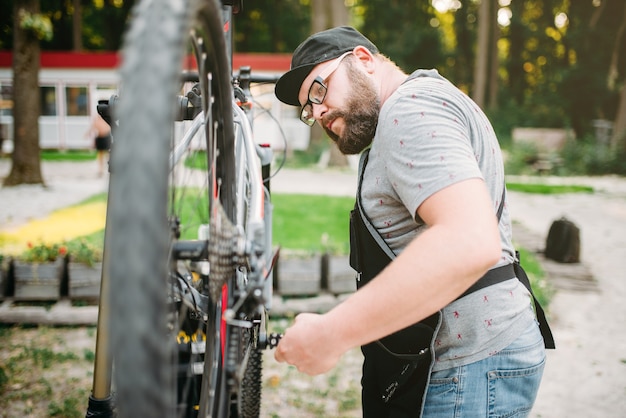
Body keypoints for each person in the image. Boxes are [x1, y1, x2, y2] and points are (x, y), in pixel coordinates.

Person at [273, 26, 553, 417]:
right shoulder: (422, 103)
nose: (316, 111)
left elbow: (469, 240)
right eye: (307, 109)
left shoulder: (410, 111)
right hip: (469, 358)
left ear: (364, 61)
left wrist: (331, 334)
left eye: (318, 90)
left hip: (464, 367)